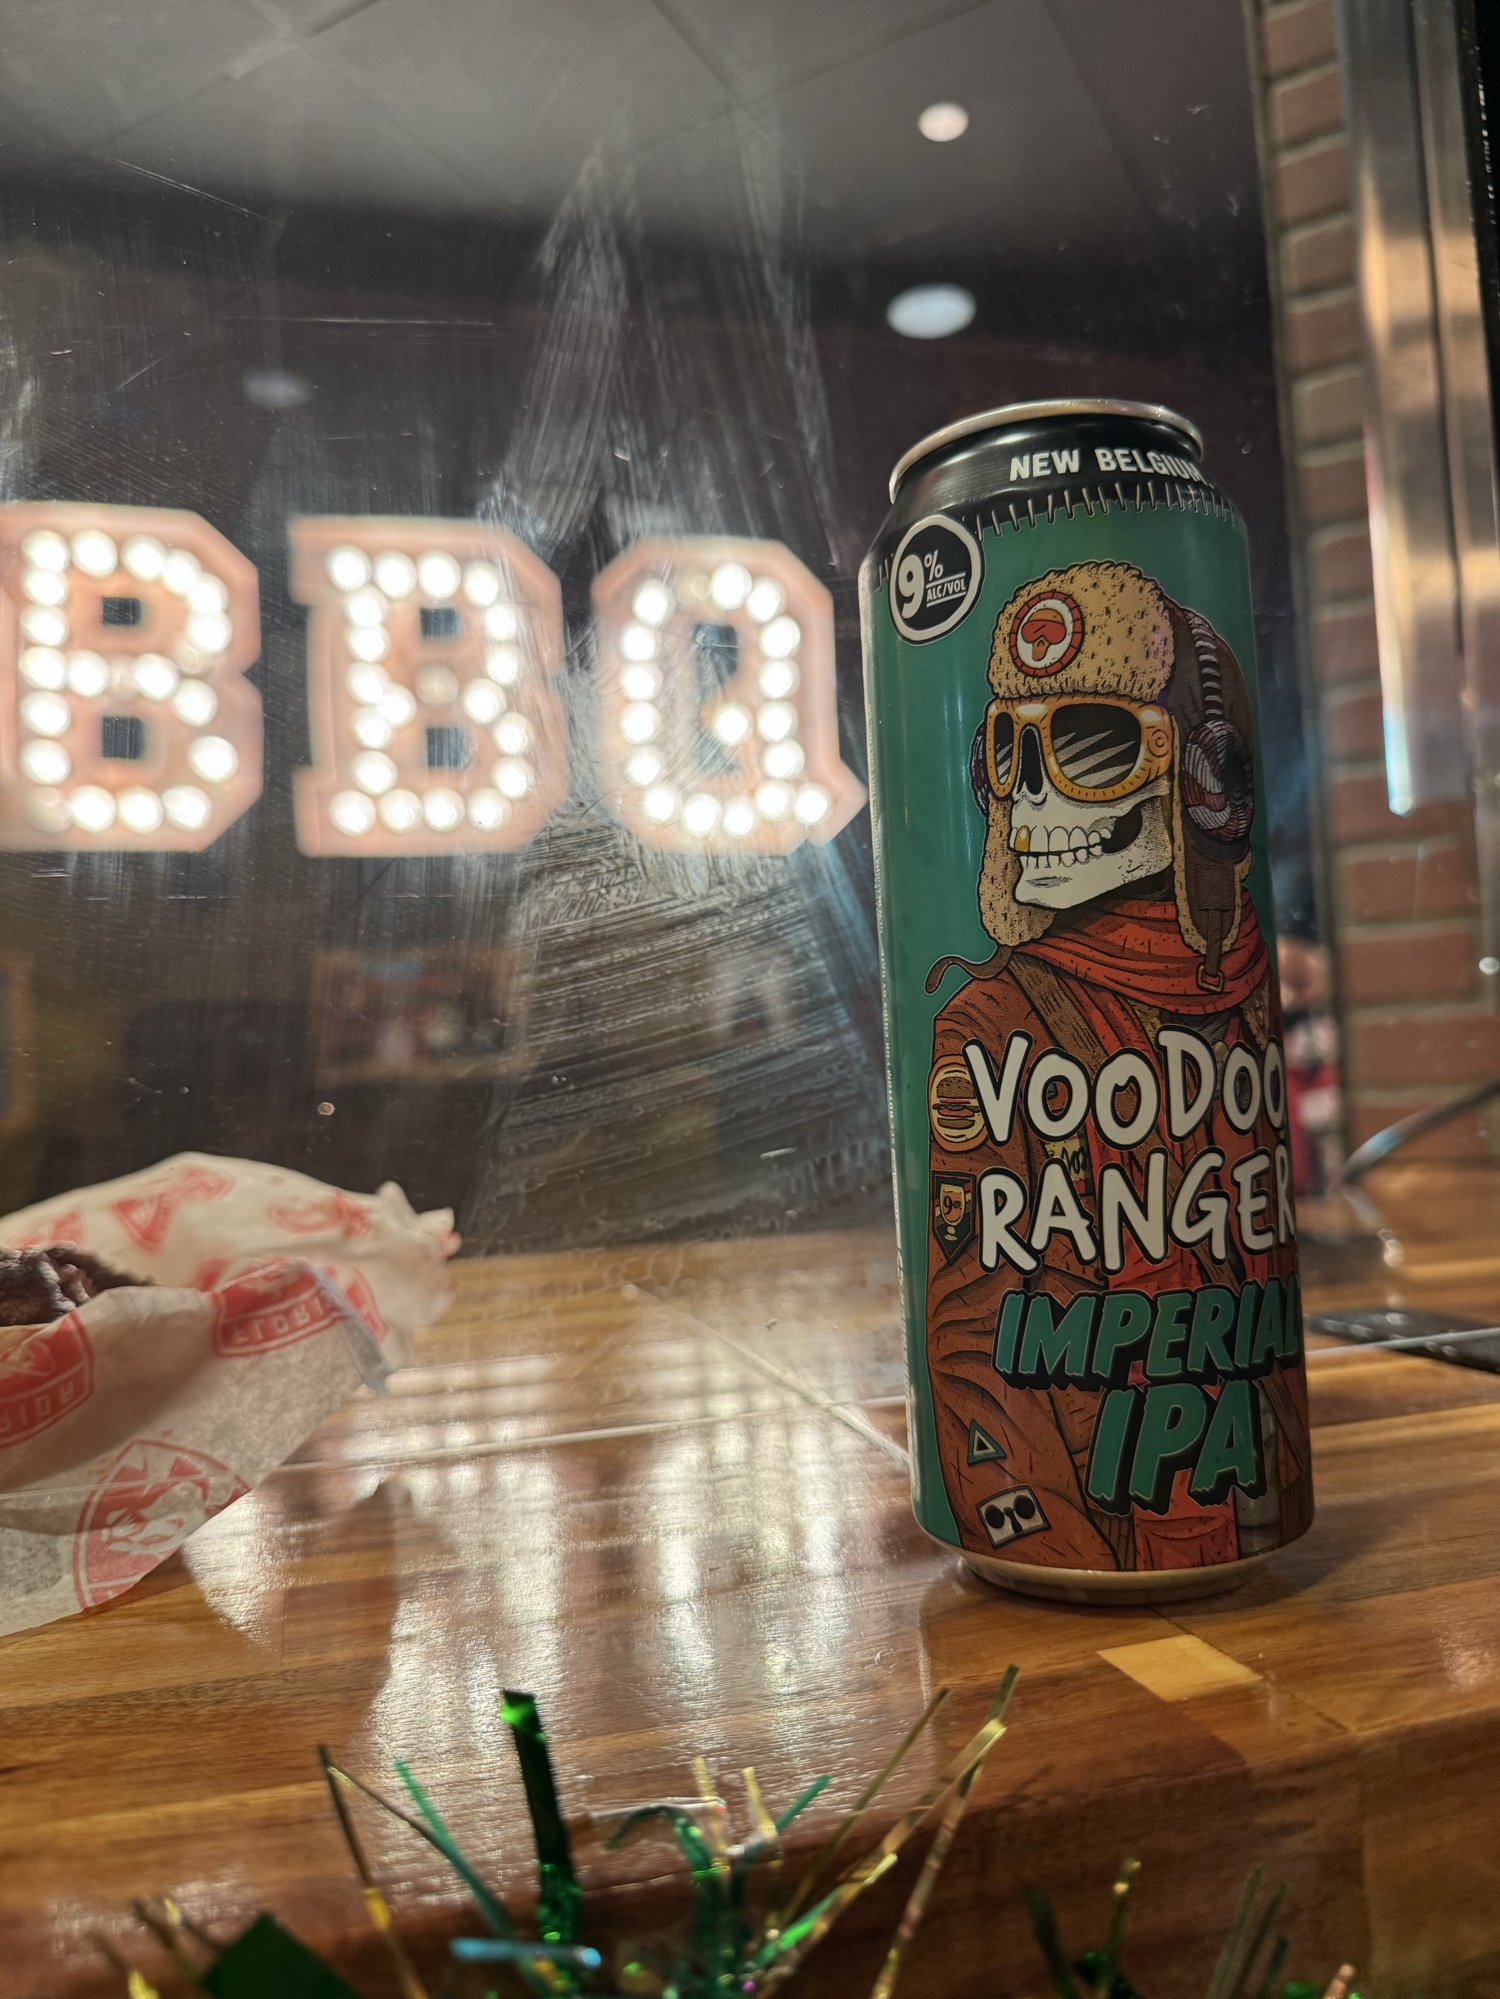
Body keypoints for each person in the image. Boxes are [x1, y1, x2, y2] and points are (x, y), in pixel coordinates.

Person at [924, 559, 1309, 1572]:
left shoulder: (1249, 995)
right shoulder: (994, 1027)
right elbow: (972, 1344)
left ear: (1208, 781)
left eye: (1089, 745)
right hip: (1101, 1524)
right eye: (1008, 749)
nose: (1030, 795)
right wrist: (1044, 1534)